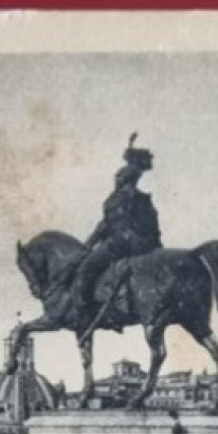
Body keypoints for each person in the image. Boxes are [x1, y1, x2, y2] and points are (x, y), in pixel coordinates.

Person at [60, 138, 164, 327]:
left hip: (120, 244)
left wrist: (88, 246)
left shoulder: (117, 199)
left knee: (85, 269)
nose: (117, 180)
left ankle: (85, 312)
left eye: (119, 178)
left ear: (124, 179)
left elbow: (105, 226)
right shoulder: (141, 199)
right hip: (143, 244)